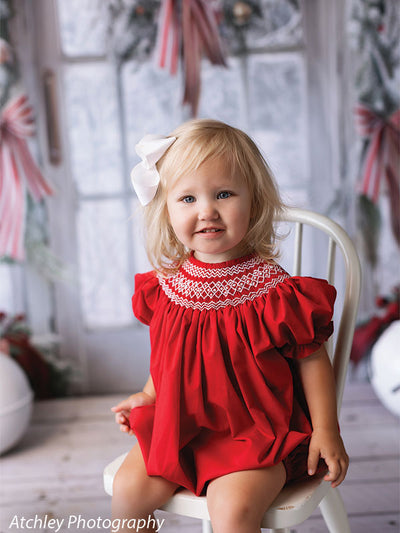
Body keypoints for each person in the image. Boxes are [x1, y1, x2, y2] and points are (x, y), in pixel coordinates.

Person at [111, 119, 349, 533]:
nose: (207, 211)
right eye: (187, 197)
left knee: (233, 512)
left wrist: (326, 428)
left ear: (253, 202)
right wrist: (148, 394)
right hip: (181, 426)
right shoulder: (168, 286)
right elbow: (171, 355)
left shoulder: (273, 292)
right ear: (166, 210)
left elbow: (312, 359)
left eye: (223, 193)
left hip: (254, 436)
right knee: (127, 493)